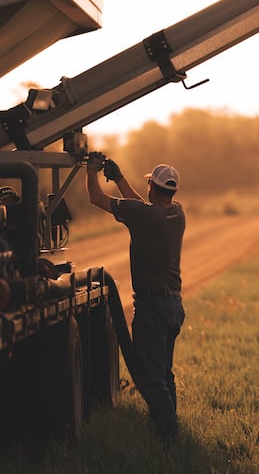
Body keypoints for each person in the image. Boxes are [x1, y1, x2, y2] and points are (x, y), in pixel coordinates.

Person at [85, 152, 186, 440]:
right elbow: (143, 208)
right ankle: (168, 429)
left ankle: (168, 435)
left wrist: (91, 170)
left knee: (150, 378)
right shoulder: (177, 213)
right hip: (173, 306)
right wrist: (119, 179)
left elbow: (96, 198)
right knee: (164, 374)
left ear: (152, 187)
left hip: (153, 309)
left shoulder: (144, 215)